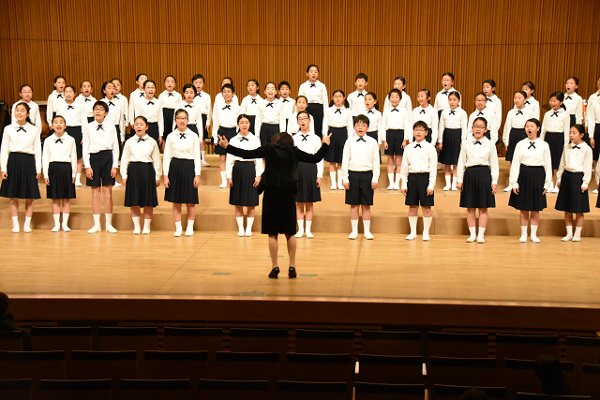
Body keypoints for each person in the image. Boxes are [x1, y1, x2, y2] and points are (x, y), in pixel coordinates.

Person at [218, 131, 331, 279]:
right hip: (288, 193)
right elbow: (315, 158)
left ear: (275, 140)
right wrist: (325, 144)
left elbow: (247, 154)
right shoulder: (294, 151)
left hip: (271, 193)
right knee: (290, 232)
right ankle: (292, 266)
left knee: (272, 233)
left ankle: (275, 266)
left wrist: (227, 147)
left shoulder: (269, 148)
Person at [508, 118, 552, 243]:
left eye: (532, 126)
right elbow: (515, 163)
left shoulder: (544, 145)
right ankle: (523, 234)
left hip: (538, 175)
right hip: (524, 174)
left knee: (535, 207)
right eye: (527, 126)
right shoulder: (520, 144)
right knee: (523, 207)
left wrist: (547, 182)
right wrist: (514, 182)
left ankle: (533, 234)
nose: (529, 129)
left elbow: (548, 164)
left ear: (538, 128)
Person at [456, 117, 499, 243]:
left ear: (485, 129)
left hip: (484, 173)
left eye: (481, 127)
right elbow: (461, 162)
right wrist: (460, 179)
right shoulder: (466, 143)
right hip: (469, 174)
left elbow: (494, 164)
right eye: (476, 126)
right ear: (472, 128)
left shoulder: (490, 144)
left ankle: (481, 234)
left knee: (483, 207)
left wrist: (494, 181)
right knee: (470, 207)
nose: (478, 129)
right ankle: (472, 234)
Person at [0, 102, 41, 233]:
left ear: (28, 114)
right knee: (13, 195)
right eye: (17, 110)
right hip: (13, 160)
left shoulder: (34, 130)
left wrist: (38, 168)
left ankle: (27, 224)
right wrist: (3, 168)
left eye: (22, 110)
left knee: (30, 196)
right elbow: (4, 149)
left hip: (28, 161)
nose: (19, 113)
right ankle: (15, 224)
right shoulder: (8, 129)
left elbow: (38, 150)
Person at [83, 101, 119, 233]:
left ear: (106, 113)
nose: (98, 111)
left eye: (101, 109)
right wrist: (87, 166)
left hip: (107, 157)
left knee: (107, 192)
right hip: (94, 158)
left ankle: (108, 224)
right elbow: (85, 147)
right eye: (96, 109)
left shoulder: (111, 127)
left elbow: (116, 147)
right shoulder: (88, 127)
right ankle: (96, 224)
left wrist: (115, 165)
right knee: (95, 192)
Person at [164, 109, 201, 237]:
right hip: (175, 167)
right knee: (176, 201)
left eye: (184, 118)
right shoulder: (170, 136)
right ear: (175, 120)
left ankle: (190, 227)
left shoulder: (194, 136)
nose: (182, 121)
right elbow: (167, 156)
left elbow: (197, 156)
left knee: (190, 200)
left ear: (188, 120)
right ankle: (178, 228)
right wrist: (165, 175)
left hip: (189, 167)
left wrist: (197, 175)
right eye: (179, 118)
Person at [121, 116, 162, 235]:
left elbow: (157, 161)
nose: (139, 126)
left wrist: (157, 176)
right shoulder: (129, 142)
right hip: (133, 170)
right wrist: (124, 175)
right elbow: (124, 160)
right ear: (133, 126)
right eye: (136, 124)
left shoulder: (152, 142)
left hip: (148, 170)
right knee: (134, 200)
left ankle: (146, 226)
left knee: (148, 201)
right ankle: (137, 227)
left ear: (147, 127)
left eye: (141, 124)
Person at [342, 114, 379, 240]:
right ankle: (354, 231)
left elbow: (376, 162)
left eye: (363, 125)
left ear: (368, 127)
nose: (360, 127)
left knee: (366, 205)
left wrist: (375, 178)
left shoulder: (373, 142)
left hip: (367, 175)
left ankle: (367, 231)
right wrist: (345, 178)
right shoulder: (349, 141)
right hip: (353, 174)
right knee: (354, 205)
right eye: (358, 125)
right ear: (354, 126)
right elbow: (345, 160)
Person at [226, 114, 263, 237]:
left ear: (250, 124)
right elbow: (229, 160)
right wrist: (229, 176)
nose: (244, 125)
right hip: (238, 169)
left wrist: (258, 175)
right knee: (238, 201)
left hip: (251, 169)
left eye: (246, 122)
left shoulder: (255, 140)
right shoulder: (233, 140)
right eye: (242, 122)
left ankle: (249, 229)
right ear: (238, 124)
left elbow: (258, 158)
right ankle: (241, 228)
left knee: (251, 201)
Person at [400, 121, 437, 241]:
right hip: (412, 178)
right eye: (416, 130)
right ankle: (413, 232)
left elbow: (433, 168)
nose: (418, 132)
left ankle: (426, 233)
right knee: (412, 207)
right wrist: (404, 183)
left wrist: (431, 185)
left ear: (426, 132)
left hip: (425, 178)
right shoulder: (408, 148)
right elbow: (404, 167)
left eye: (421, 130)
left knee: (426, 207)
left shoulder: (430, 148)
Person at [555, 124, 592, 242]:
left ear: (581, 135)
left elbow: (587, 167)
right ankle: (569, 233)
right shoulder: (567, 147)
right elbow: (562, 164)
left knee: (578, 208)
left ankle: (577, 234)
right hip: (567, 176)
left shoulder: (587, 149)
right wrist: (559, 178)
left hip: (578, 178)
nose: (571, 135)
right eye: (570, 132)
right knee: (567, 208)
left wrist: (585, 182)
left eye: (574, 133)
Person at [43, 115, 77, 232]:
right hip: (53, 168)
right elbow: (45, 158)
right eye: (56, 122)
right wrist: (46, 174)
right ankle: (56, 224)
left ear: (65, 126)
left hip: (66, 168)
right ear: (52, 126)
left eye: (61, 122)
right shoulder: (48, 141)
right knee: (55, 198)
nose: (58, 124)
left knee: (66, 199)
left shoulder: (71, 140)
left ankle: (65, 224)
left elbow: (73, 157)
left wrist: (74, 174)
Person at [293, 111, 323, 239]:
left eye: (305, 118)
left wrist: (319, 175)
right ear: (297, 122)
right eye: (300, 119)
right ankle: (300, 230)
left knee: (309, 202)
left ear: (309, 121)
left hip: (311, 169)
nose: (303, 121)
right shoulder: (293, 138)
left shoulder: (316, 138)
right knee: (299, 202)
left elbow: (320, 158)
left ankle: (308, 230)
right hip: (297, 170)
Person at [502, 90, 534, 191]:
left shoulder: (529, 111)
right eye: (515, 98)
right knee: (512, 161)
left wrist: (532, 139)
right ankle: (512, 183)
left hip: (525, 135)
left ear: (525, 99)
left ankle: (522, 183)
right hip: (514, 135)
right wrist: (506, 141)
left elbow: (532, 126)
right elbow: (507, 127)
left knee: (524, 160)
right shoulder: (511, 112)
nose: (517, 100)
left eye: (519, 98)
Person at [381, 88, 412, 190]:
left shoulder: (404, 111)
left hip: (400, 134)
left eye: (396, 97)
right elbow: (383, 126)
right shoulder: (386, 111)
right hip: (389, 134)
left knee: (399, 160)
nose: (394, 99)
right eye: (392, 97)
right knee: (390, 160)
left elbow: (406, 125)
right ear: (389, 99)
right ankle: (391, 183)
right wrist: (384, 140)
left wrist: (405, 139)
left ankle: (397, 183)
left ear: (400, 99)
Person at [540, 91, 570, 193]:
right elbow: (543, 129)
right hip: (549, 137)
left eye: (555, 101)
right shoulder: (547, 114)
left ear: (561, 102)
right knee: (549, 162)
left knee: (559, 163)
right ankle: (550, 184)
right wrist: (541, 141)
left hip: (559, 138)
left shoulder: (565, 115)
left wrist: (566, 144)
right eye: (551, 101)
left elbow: (566, 130)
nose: (552, 103)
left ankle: (558, 183)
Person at [323, 90, 353, 190]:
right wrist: (325, 137)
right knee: (332, 161)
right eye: (336, 96)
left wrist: (350, 138)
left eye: (340, 96)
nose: (338, 98)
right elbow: (325, 124)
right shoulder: (328, 110)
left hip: (343, 134)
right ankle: (333, 183)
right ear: (332, 98)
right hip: (332, 133)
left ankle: (340, 183)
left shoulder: (348, 111)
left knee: (341, 160)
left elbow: (350, 126)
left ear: (344, 98)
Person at [212, 83, 241, 188]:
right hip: (222, 132)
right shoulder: (218, 107)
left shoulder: (237, 107)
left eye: (229, 91)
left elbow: (239, 123)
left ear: (233, 94)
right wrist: (215, 136)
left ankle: (232, 178)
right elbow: (215, 122)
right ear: (222, 94)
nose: (227, 93)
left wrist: (238, 136)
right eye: (224, 92)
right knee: (222, 158)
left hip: (233, 132)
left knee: (232, 157)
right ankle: (223, 180)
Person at [438, 91, 468, 191]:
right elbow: (441, 126)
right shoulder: (444, 112)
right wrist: (440, 140)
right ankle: (447, 184)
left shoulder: (462, 113)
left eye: (454, 100)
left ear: (458, 101)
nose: (452, 102)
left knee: (456, 162)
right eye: (450, 100)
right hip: (446, 135)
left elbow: (464, 128)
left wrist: (463, 141)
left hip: (457, 136)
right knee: (447, 162)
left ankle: (454, 184)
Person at [59, 85, 87, 187]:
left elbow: (84, 121)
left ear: (75, 94)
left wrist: (84, 136)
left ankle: (78, 179)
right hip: (65, 130)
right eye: (66, 92)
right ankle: (68, 177)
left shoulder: (80, 105)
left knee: (78, 156)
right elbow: (58, 121)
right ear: (64, 94)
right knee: (66, 155)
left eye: (70, 92)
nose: (68, 94)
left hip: (77, 130)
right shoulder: (60, 106)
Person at [298, 64, 328, 139]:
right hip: (307, 108)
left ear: (318, 74)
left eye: (315, 72)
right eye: (311, 72)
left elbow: (325, 101)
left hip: (319, 109)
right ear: (307, 74)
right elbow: (300, 100)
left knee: (318, 129)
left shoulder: (322, 86)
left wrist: (326, 114)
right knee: (307, 128)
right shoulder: (303, 86)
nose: (313, 73)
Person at [133, 80, 164, 145]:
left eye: (152, 87)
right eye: (148, 87)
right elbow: (137, 119)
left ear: (155, 89)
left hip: (155, 128)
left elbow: (160, 119)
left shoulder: (158, 102)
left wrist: (160, 134)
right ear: (144, 89)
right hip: (143, 128)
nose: (150, 89)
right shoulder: (139, 102)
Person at [255, 82, 286, 146]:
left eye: (272, 89)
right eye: (268, 89)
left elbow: (282, 119)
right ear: (265, 92)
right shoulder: (261, 103)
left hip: (275, 128)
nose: (270, 91)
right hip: (264, 128)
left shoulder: (280, 104)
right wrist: (257, 134)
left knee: (276, 149)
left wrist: (282, 134)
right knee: (265, 149)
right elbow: (258, 119)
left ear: (276, 92)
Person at [192, 74, 211, 167]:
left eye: (200, 82)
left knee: (202, 138)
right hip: (192, 118)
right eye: (196, 83)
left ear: (203, 84)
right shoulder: (190, 94)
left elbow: (209, 110)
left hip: (203, 117)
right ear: (192, 84)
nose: (198, 84)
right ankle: (194, 159)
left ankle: (203, 159)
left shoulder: (207, 96)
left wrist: (208, 122)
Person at [159, 75, 182, 144]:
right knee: (165, 137)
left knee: (175, 136)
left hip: (174, 115)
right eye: (168, 82)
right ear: (165, 84)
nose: (170, 83)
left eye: (172, 82)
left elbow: (180, 107)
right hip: (164, 116)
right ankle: (165, 154)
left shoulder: (178, 95)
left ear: (175, 84)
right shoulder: (161, 95)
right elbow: (159, 108)